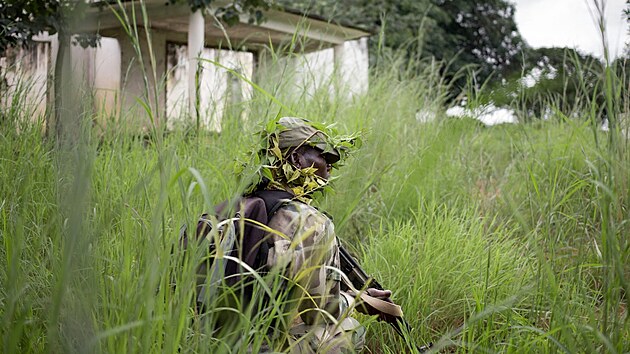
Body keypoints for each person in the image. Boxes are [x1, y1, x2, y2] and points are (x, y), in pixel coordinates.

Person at [189, 117, 393, 353]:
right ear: (295, 159)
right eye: (323, 157)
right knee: (349, 329)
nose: (329, 167)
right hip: (257, 347)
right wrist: (357, 300)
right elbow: (319, 313)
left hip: (203, 342)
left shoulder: (224, 211)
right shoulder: (311, 222)